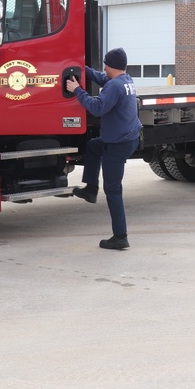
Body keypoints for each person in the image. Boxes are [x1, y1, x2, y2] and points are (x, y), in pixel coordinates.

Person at [64, 47, 142, 250]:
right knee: (93, 146)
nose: (104, 68)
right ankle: (91, 188)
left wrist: (77, 90)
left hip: (119, 144)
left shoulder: (114, 87)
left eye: (106, 64)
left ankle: (120, 236)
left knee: (113, 190)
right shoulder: (125, 80)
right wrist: (80, 65)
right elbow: (99, 76)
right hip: (125, 138)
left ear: (111, 66)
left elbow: (97, 107)